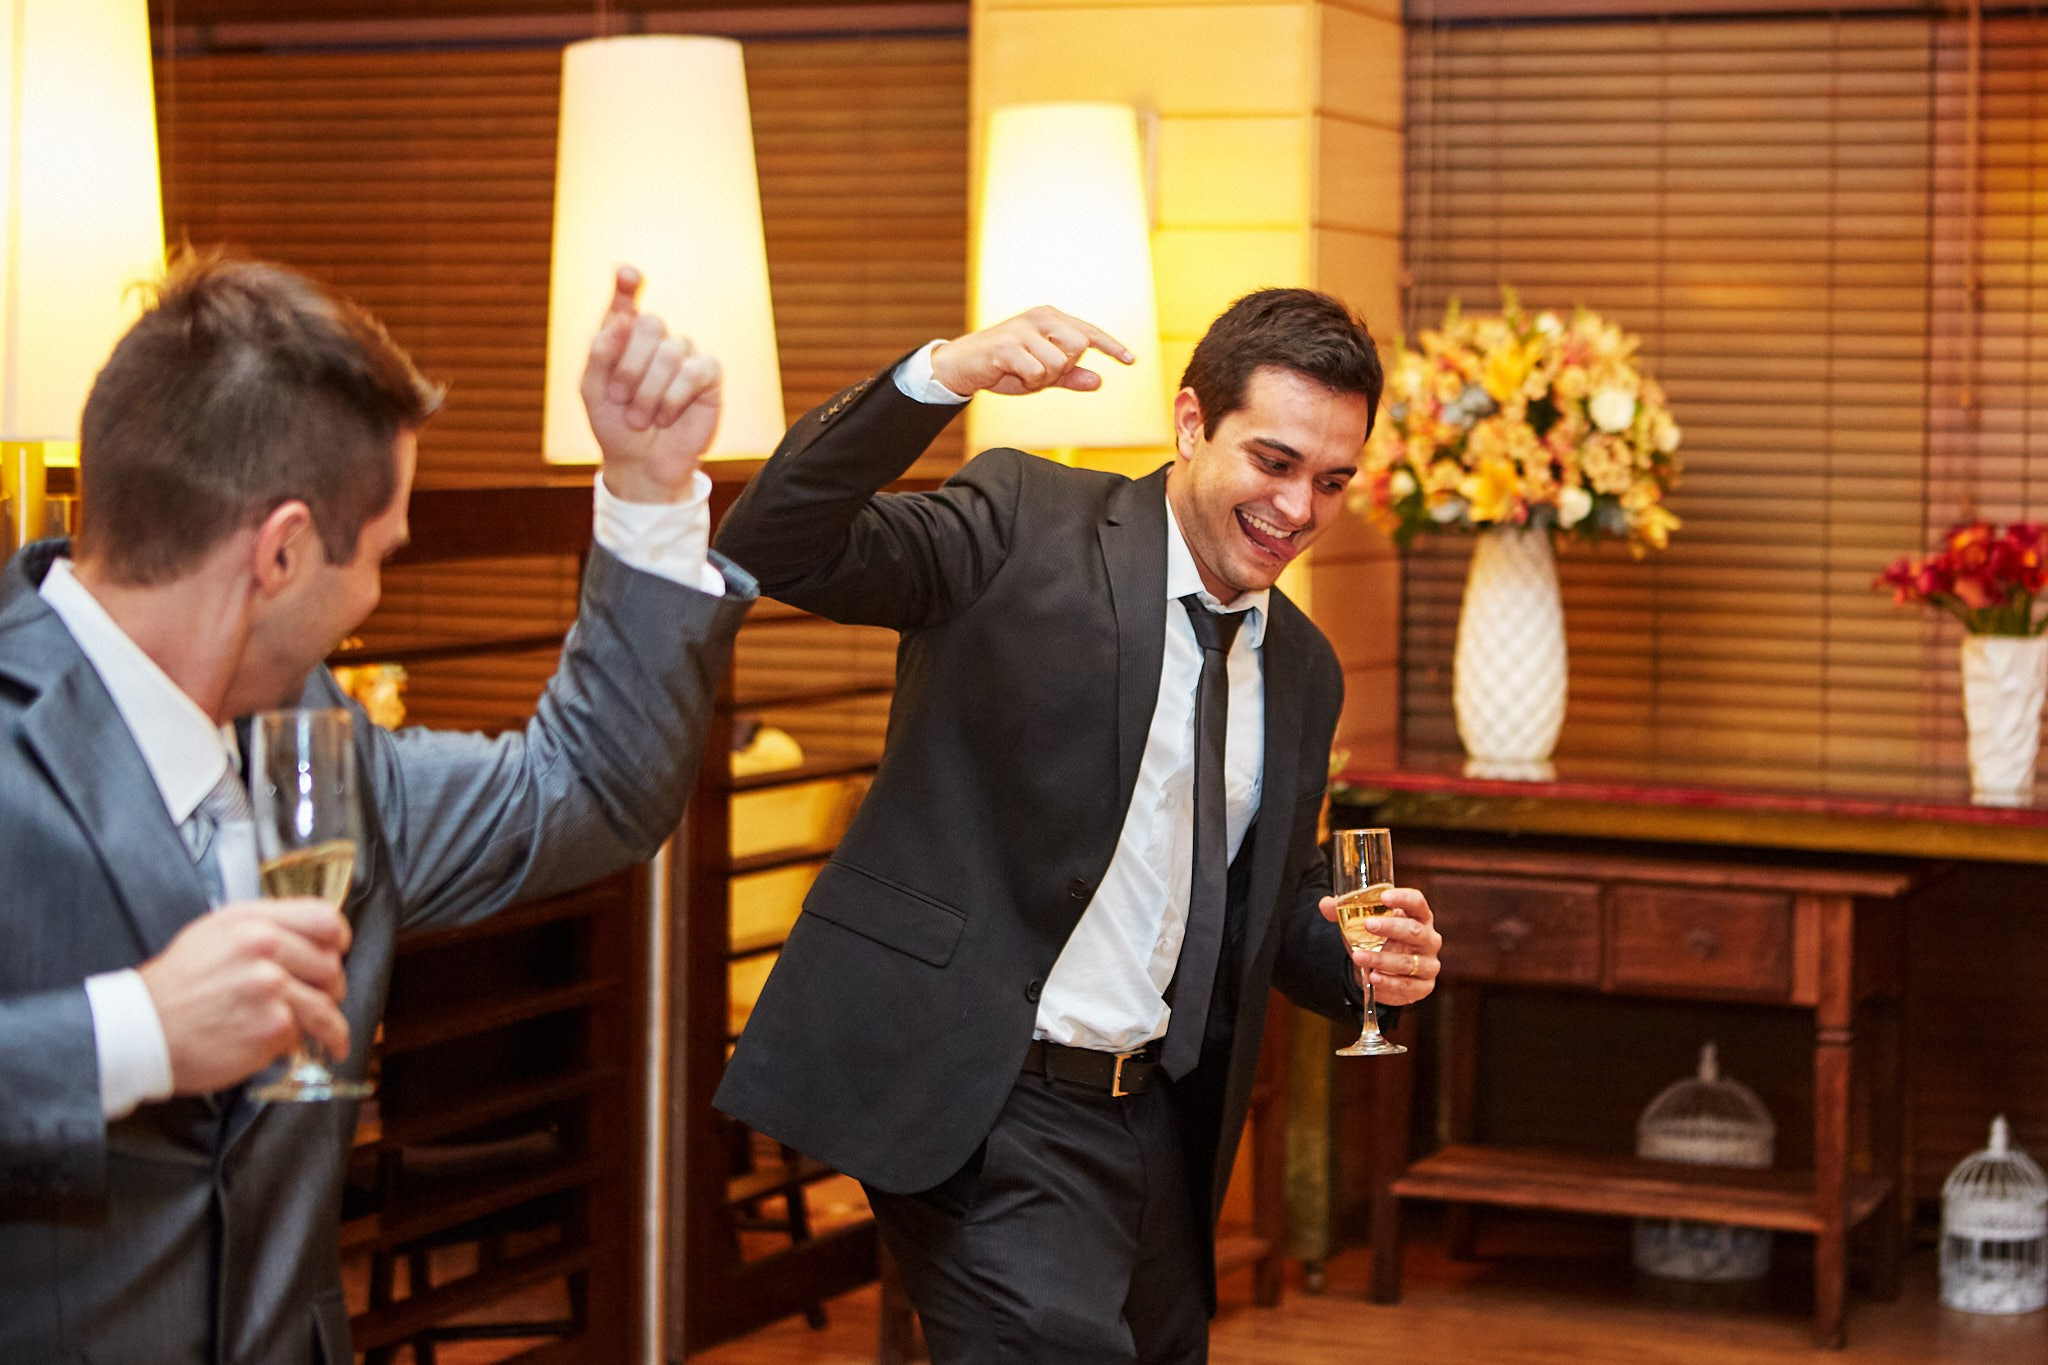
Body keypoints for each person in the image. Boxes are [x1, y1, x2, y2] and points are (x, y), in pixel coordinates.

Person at [0, 253, 752, 1364]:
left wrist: (646, 491)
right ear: (283, 550)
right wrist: (135, 1035)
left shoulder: (318, 749)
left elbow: (586, 791)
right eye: (384, 555)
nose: (374, 597)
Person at [713, 290, 1445, 1362]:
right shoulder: (1020, 522)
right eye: (1273, 462)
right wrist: (940, 376)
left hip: (1154, 1121)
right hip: (983, 1095)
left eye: (1332, 481)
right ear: (1192, 423)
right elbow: (773, 542)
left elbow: (1263, 904)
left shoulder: (1302, 667)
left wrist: (1355, 956)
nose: (1297, 508)